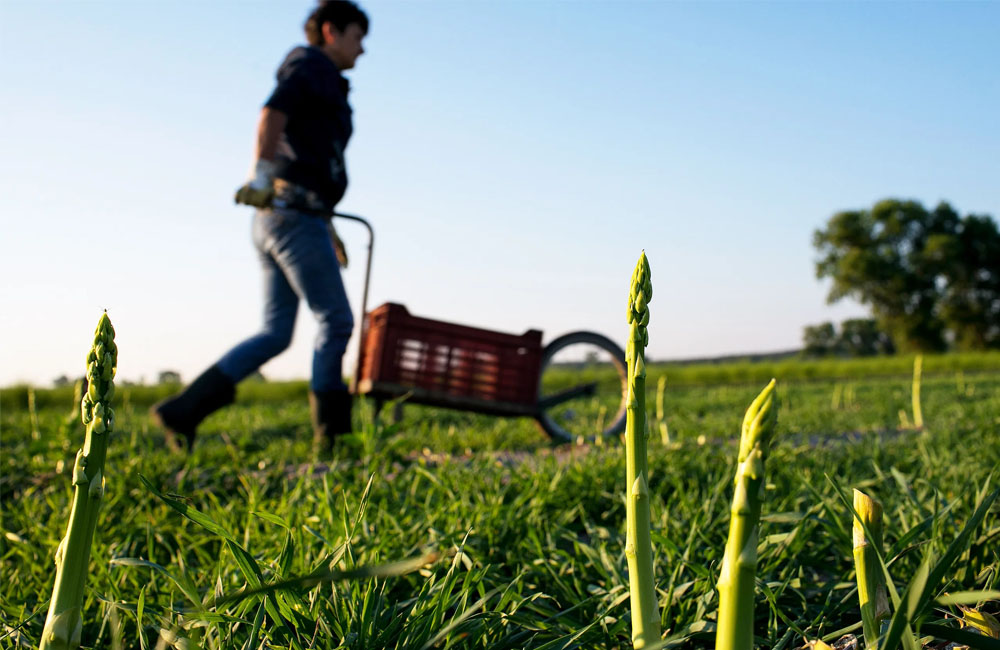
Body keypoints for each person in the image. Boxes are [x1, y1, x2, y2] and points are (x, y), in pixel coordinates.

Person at [152, 0, 369, 453]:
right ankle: (333, 438)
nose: (362, 49)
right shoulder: (308, 65)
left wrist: (328, 228)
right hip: (292, 213)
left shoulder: (324, 78)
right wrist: (262, 176)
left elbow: (313, 156)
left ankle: (184, 410)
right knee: (337, 320)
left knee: (276, 333)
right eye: (357, 37)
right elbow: (272, 113)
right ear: (331, 31)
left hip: (288, 217)